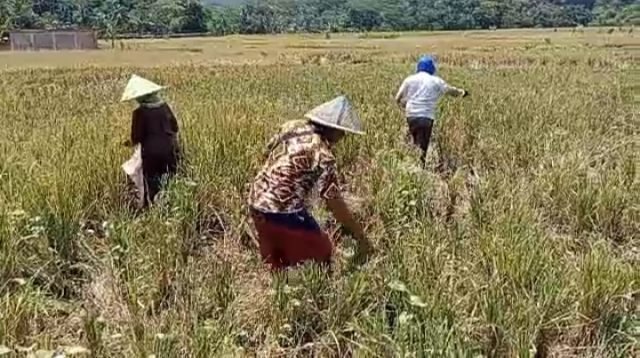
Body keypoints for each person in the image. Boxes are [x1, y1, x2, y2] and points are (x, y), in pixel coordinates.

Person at [248, 96, 372, 270]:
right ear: (331, 129)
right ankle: (317, 292)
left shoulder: (292, 127)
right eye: (341, 131)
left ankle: (280, 288)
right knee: (322, 253)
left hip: (255, 199)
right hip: (282, 209)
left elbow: (266, 152)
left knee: (277, 259)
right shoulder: (323, 153)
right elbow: (333, 200)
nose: (343, 136)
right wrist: (359, 234)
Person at [395, 55, 469, 167]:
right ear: (432, 68)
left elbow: (398, 98)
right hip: (426, 117)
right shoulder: (436, 81)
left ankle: (412, 166)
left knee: (416, 141)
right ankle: (419, 169)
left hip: (411, 116)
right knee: (423, 146)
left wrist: (405, 106)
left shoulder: (409, 79)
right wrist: (462, 93)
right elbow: (450, 90)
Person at [121, 74, 180, 206]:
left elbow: (136, 138)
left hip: (151, 155)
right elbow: (175, 127)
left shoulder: (139, 113)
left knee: (152, 183)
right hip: (170, 151)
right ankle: (172, 207)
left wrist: (128, 143)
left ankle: (154, 210)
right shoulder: (165, 107)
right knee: (170, 181)